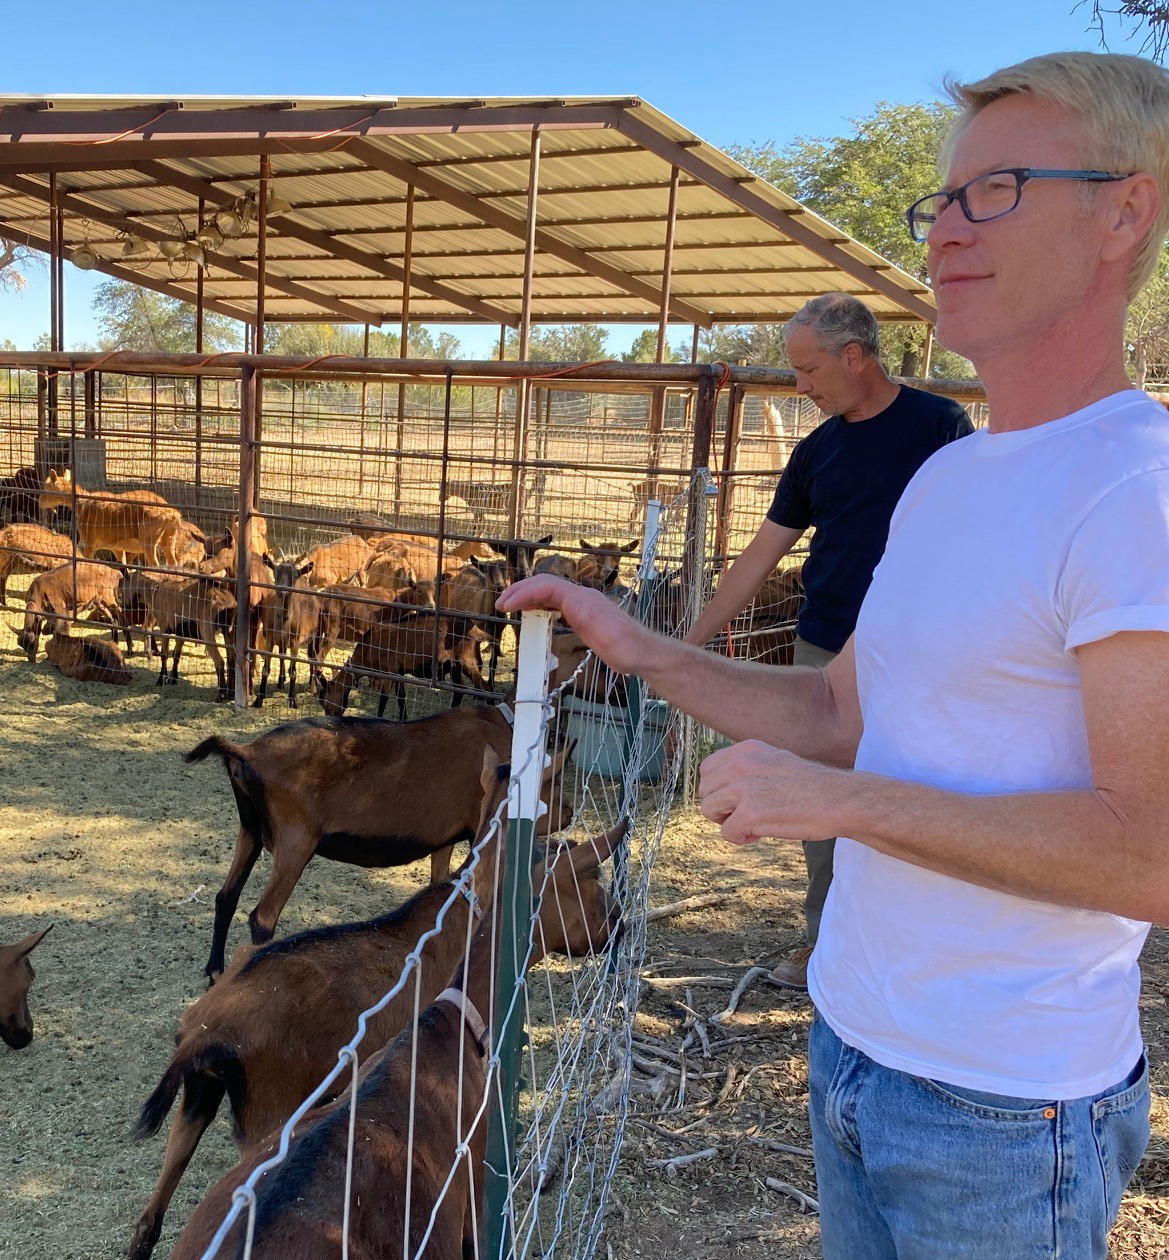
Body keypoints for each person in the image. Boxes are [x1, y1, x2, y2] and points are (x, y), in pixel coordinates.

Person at [500, 51, 1169, 1260]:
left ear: (1128, 208)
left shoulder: (1140, 489)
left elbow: (1149, 856)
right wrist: (646, 652)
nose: (947, 232)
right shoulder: (953, 475)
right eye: (943, 202)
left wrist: (839, 805)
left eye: (998, 188)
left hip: (1007, 1110)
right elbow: (834, 709)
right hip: (854, 1047)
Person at [683, 293, 973, 989]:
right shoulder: (818, 449)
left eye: (808, 370)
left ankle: (911, 953)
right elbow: (758, 556)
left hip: (918, 654)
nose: (800, 386)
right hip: (823, 655)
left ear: (854, 356)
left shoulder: (942, 428)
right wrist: (687, 645)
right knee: (820, 810)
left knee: (915, 796)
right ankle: (826, 948)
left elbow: (974, 537)